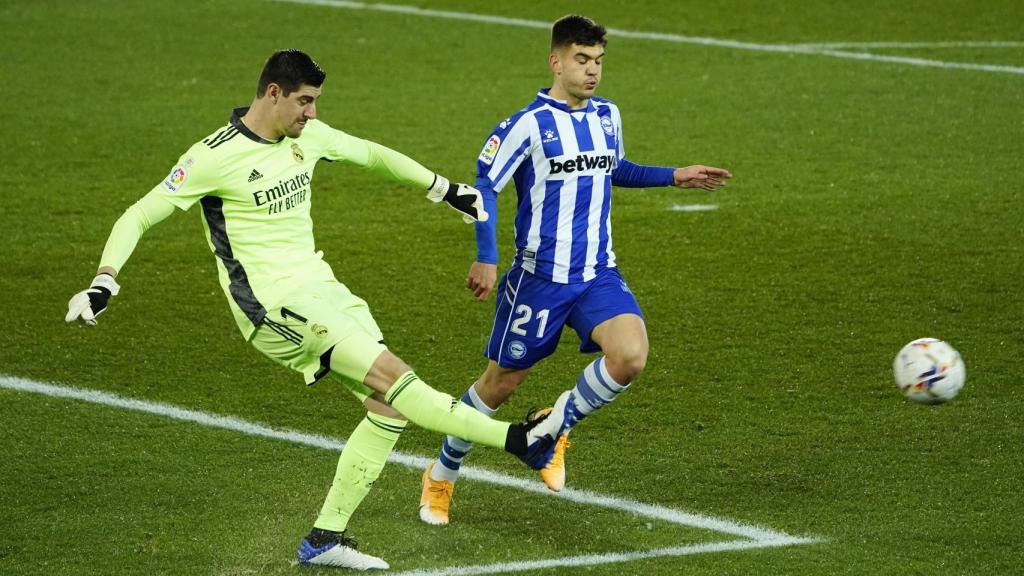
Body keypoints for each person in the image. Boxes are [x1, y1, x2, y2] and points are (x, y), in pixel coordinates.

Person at [65, 49, 561, 571]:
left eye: (316, 102)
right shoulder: (213, 156)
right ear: (273, 93)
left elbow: (370, 154)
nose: (313, 114)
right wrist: (105, 279)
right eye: (304, 101)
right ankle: (522, 441)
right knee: (398, 380)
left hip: (323, 289)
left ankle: (325, 539)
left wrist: (445, 191)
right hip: (273, 307)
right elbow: (140, 213)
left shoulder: (307, 138)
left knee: (387, 408)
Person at [419, 15, 732, 525]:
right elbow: (485, 186)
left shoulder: (608, 116)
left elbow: (616, 169)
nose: (592, 72)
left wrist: (674, 176)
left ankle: (553, 424)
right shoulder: (526, 125)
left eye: (599, 62)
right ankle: (441, 474)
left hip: (595, 274)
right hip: (537, 279)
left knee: (630, 356)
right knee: (500, 384)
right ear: (556, 61)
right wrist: (487, 255)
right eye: (582, 61)